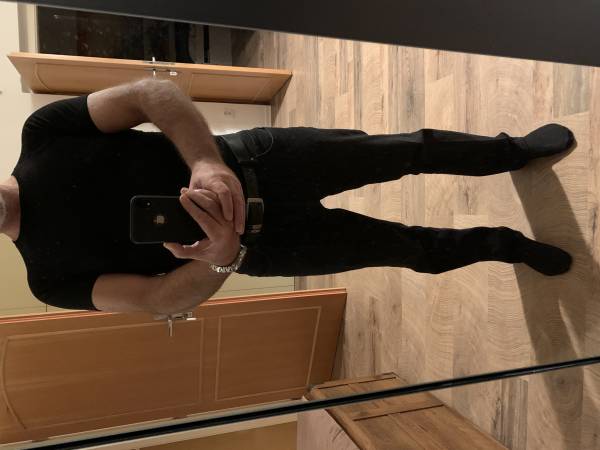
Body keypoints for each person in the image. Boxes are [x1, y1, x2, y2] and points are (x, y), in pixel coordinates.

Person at [0, 79, 574, 315]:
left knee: (407, 150)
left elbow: (152, 94)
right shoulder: (48, 280)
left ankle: (512, 151)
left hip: (261, 159)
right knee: (407, 249)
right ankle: (507, 246)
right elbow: (158, 301)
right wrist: (222, 256)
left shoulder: (43, 133)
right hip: (266, 247)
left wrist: (204, 161)